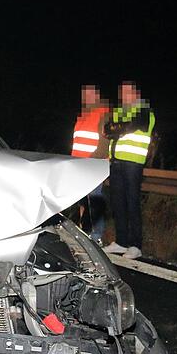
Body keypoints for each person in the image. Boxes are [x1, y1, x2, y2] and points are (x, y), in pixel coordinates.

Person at [103, 81, 155, 259]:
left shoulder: (144, 110)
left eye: (127, 92)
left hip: (133, 163)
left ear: (136, 93)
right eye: (122, 92)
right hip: (116, 162)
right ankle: (121, 241)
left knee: (132, 203)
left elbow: (131, 127)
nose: (124, 95)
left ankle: (136, 245)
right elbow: (107, 129)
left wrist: (118, 128)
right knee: (117, 203)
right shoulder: (119, 111)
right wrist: (118, 128)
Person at [71, 84, 111, 242]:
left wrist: (93, 160)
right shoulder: (84, 116)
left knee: (94, 198)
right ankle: (83, 232)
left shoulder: (103, 113)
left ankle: (96, 236)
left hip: (94, 163)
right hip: (79, 164)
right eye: (84, 95)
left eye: (90, 95)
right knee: (83, 199)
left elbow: (105, 142)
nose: (86, 98)